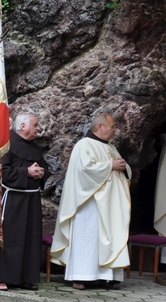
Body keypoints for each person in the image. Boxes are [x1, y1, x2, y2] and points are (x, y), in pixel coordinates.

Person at [51, 113, 131, 290]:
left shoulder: (111, 147)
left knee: (107, 237)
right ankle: (81, 275)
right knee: (88, 238)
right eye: (112, 127)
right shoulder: (83, 145)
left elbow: (121, 168)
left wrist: (123, 167)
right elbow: (85, 170)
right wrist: (111, 166)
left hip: (109, 205)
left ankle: (107, 276)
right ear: (100, 127)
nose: (115, 130)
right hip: (89, 204)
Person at [0, 113, 49, 291]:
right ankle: (1, 277)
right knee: (10, 239)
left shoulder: (36, 148)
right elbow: (1, 172)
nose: (38, 128)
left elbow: (44, 169)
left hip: (31, 199)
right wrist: (26, 172)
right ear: (23, 126)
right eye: (35, 125)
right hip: (13, 199)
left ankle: (26, 277)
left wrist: (41, 173)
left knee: (30, 238)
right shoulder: (6, 144)